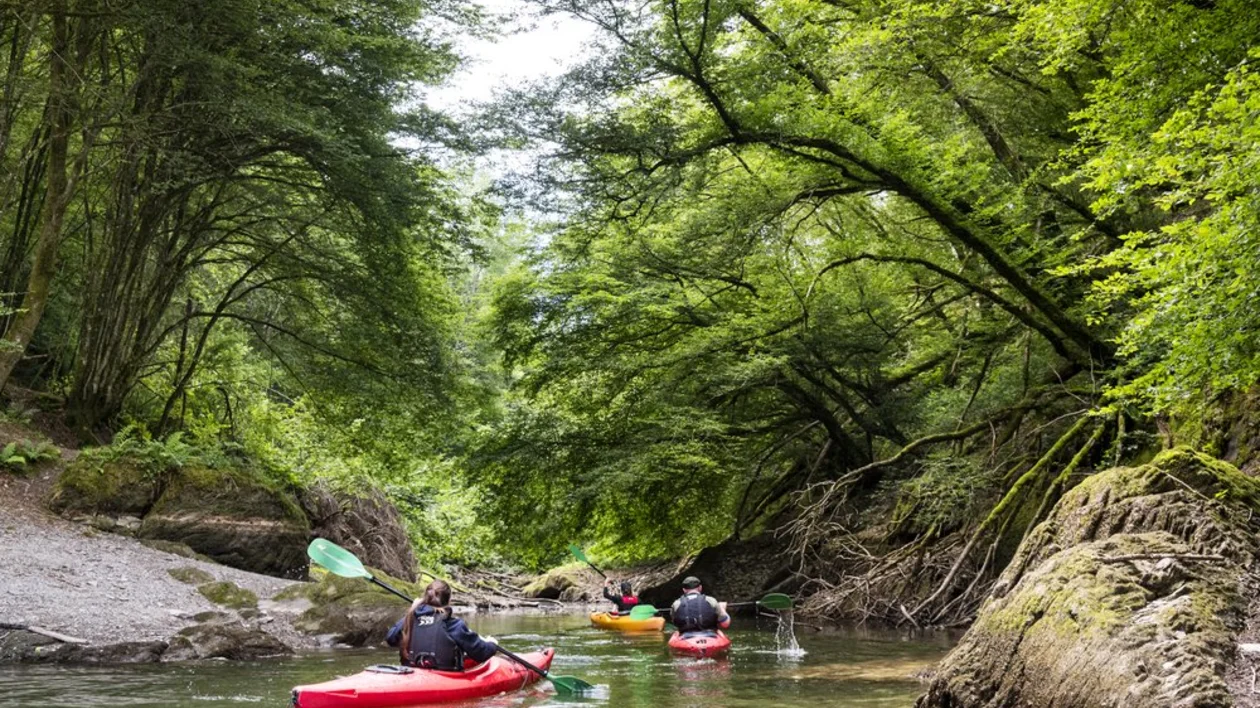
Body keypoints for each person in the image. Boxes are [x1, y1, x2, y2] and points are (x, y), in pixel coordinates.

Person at [385, 579, 498, 670]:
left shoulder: (411, 618)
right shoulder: (453, 624)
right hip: (444, 676)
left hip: (412, 673)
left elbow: (390, 638)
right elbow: (481, 653)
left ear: (425, 598)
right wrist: (492, 644)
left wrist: (414, 609)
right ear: (448, 601)